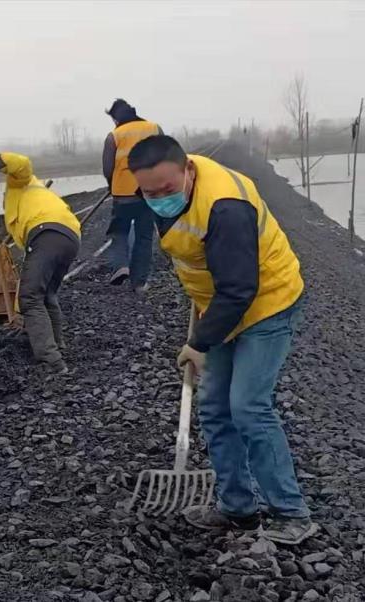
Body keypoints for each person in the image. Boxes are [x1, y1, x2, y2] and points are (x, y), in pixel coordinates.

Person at [128, 135, 317, 545]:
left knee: (248, 406)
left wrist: (199, 343)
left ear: (188, 170)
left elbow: (239, 288)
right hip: (219, 304)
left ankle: (291, 513)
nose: (158, 199)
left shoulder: (226, 207)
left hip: (267, 302)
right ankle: (237, 508)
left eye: (166, 189)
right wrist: (203, 311)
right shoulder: (165, 194)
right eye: (149, 193)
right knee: (214, 407)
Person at [0, 151, 81, 374]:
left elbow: (22, 163)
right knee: (46, 294)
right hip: (68, 237)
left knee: (30, 298)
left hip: (46, 233)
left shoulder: (20, 181)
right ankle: (57, 345)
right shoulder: (36, 197)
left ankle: (51, 361)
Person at [102, 99, 161, 292]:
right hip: (149, 193)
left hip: (123, 195)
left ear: (116, 118)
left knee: (119, 232)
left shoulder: (114, 136)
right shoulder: (154, 128)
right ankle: (140, 283)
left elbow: (108, 168)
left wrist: (112, 185)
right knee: (144, 237)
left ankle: (121, 266)